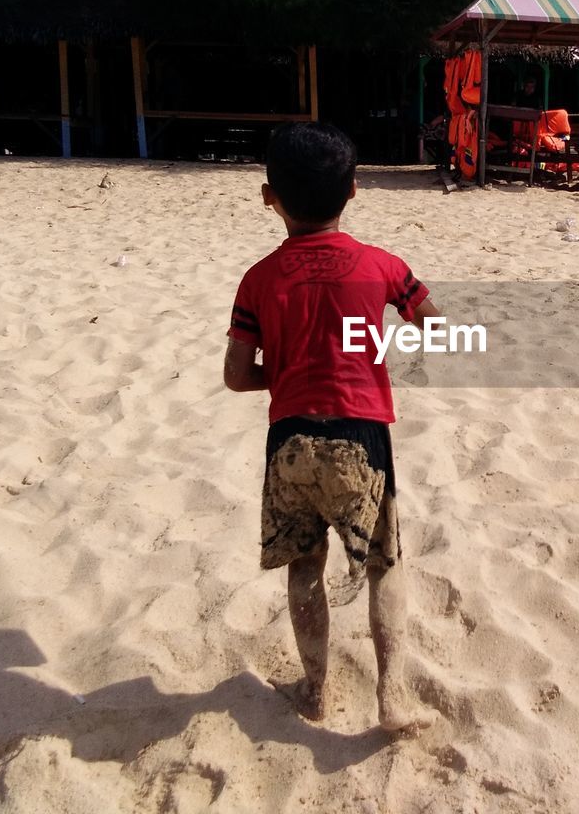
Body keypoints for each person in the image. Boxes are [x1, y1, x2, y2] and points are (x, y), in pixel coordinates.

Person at [223, 122, 439, 734]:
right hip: (361, 436)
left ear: (270, 197)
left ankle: (315, 688)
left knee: (303, 565)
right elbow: (438, 327)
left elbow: (238, 377)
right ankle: (391, 695)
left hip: (289, 438)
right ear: (353, 191)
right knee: (383, 564)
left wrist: (292, 367)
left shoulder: (258, 280)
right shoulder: (382, 266)